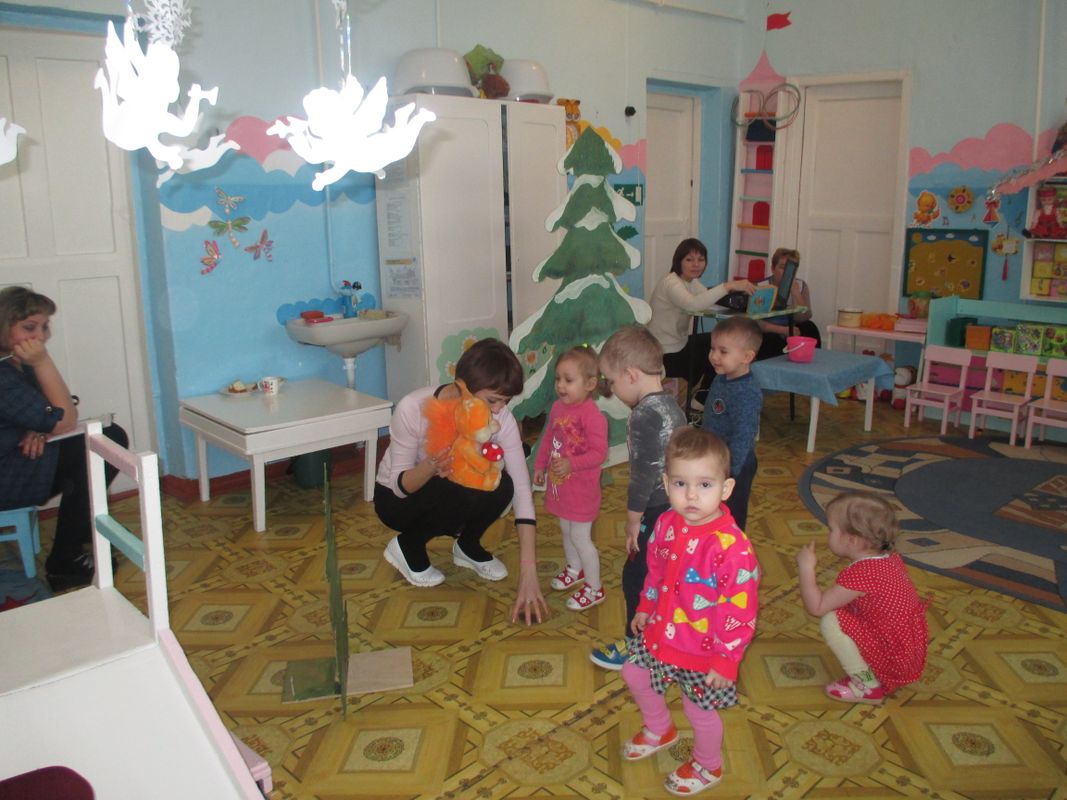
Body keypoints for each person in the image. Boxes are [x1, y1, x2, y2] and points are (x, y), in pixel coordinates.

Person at [620, 427, 760, 796]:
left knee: (698, 710)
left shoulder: (732, 548)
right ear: (666, 483)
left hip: (704, 650)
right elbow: (655, 570)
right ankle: (659, 727)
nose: (692, 495)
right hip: (660, 631)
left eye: (705, 484)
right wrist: (646, 605)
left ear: (726, 489)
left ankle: (708, 764)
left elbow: (740, 612)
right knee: (634, 673)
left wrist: (726, 660)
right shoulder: (666, 523)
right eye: (681, 483)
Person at [374, 338, 548, 625]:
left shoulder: (500, 418)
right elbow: (398, 487)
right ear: (463, 387)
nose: (499, 410)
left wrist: (528, 571)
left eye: (505, 401)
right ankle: (408, 545)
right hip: (396, 499)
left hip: (450, 492)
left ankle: (467, 546)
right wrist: (430, 468)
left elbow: (520, 488)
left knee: (502, 485)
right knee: (460, 489)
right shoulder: (413, 407)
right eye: (493, 400)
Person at [0, 286, 129, 591]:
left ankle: (80, 531)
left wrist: (40, 427)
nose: (40, 337)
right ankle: (64, 560)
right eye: (29, 327)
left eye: (44, 327)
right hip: (6, 477)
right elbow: (65, 418)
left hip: (15, 459)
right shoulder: (5, 375)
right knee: (103, 443)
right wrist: (43, 362)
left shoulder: (13, 362)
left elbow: (49, 409)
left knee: (100, 443)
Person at [590, 325, 686, 669]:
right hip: (678, 509)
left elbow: (643, 474)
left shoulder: (643, 414)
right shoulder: (673, 405)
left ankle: (638, 646)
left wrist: (633, 520)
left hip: (655, 510)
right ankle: (667, 638)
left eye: (612, 381)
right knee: (666, 576)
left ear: (631, 375)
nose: (612, 389)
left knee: (637, 576)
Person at [796, 491, 928, 705]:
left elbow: (817, 606)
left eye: (832, 529)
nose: (828, 534)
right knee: (843, 613)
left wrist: (806, 568)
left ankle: (867, 685)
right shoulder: (888, 559)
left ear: (852, 540)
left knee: (832, 621)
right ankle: (871, 674)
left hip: (893, 657)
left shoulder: (863, 574)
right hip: (905, 649)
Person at [533, 346, 609, 611]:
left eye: (568, 380)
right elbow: (548, 438)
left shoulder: (593, 416)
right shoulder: (557, 408)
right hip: (562, 487)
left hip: (582, 491)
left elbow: (599, 454)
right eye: (558, 379)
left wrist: (571, 464)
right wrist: (540, 465)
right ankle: (575, 568)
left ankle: (594, 588)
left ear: (589, 384)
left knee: (580, 537)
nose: (561, 386)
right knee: (565, 529)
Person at [648, 238, 755, 397]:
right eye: (689, 260)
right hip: (662, 353)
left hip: (678, 345)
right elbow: (693, 305)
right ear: (678, 261)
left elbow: (707, 301)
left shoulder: (691, 282)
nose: (696, 264)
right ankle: (701, 397)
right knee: (718, 347)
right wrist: (727, 286)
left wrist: (737, 299)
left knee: (718, 343)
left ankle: (701, 395)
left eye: (701, 259)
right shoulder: (671, 282)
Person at [701, 316, 762, 530]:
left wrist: (730, 472)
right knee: (713, 509)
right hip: (715, 458)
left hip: (736, 465)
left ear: (747, 357)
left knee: (732, 514)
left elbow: (743, 436)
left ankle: (734, 548)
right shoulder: (722, 377)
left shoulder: (746, 393)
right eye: (713, 349)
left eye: (723, 351)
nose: (714, 356)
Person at [756, 247, 821, 361]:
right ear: (773, 268)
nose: (787, 273)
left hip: (792, 324)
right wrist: (782, 330)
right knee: (770, 340)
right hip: (771, 328)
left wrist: (795, 293)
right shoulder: (761, 287)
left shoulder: (801, 286)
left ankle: (808, 359)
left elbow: (803, 317)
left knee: (810, 327)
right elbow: (755, 322)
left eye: (791, 269)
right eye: (782, 267)